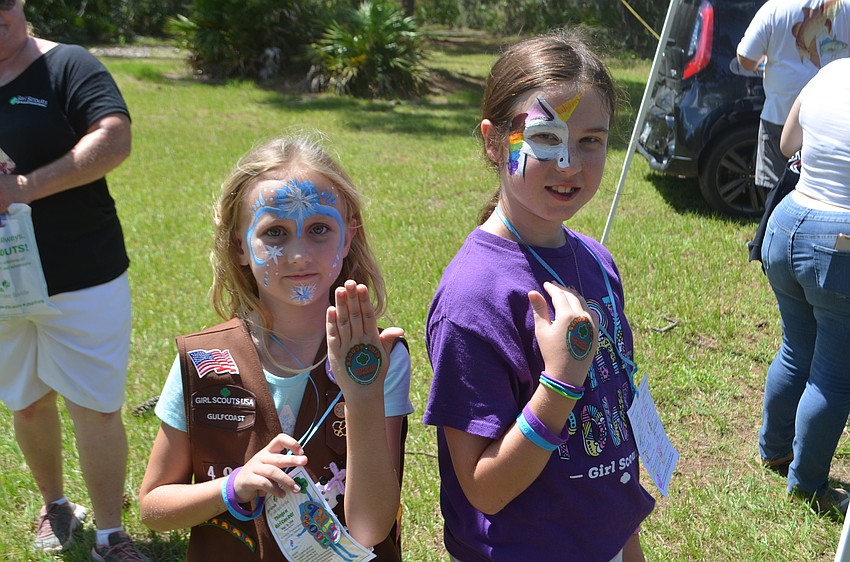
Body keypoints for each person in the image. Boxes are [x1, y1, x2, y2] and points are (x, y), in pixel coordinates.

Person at [422, 28, 655, 562]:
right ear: (491, 141)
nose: (570, 164)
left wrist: (625, 539)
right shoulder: (473, 296)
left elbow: (616, 411)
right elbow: (483, 487)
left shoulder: (596, 261)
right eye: (545, 139)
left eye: (591, 140)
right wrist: (560, 384)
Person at [138, 134, 413, 561]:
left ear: (347, 236)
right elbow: (154, 508)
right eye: (276, 233)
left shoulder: (377, 359)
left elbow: (370, 526)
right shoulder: (204, 362)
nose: (300, 253)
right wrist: (234, 486)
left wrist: (362, 396)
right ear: (239, 246)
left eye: (319, 229)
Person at [0, 1, 148, 559]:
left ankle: (110, 534)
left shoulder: (68, 65)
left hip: (81, 273)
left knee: (95, 405)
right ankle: (56, 505)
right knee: (28, 402)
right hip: (3, 286)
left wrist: (22, 188)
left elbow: (114, 137)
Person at [757, 56, 850, 518]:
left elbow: (788, 141)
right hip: (839, 241)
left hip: (788, 222)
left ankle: (775, 448)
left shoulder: (829, 72)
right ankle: (807, 484)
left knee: (795, 348)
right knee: (833, 374)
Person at [737, 0, 850, 193]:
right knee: (828, 192)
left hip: (780, 117)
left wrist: (760, 65)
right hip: (834, 122)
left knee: (775, 191)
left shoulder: (775, 7)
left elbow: (746, 56)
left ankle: (778, 221)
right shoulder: (846, 6)